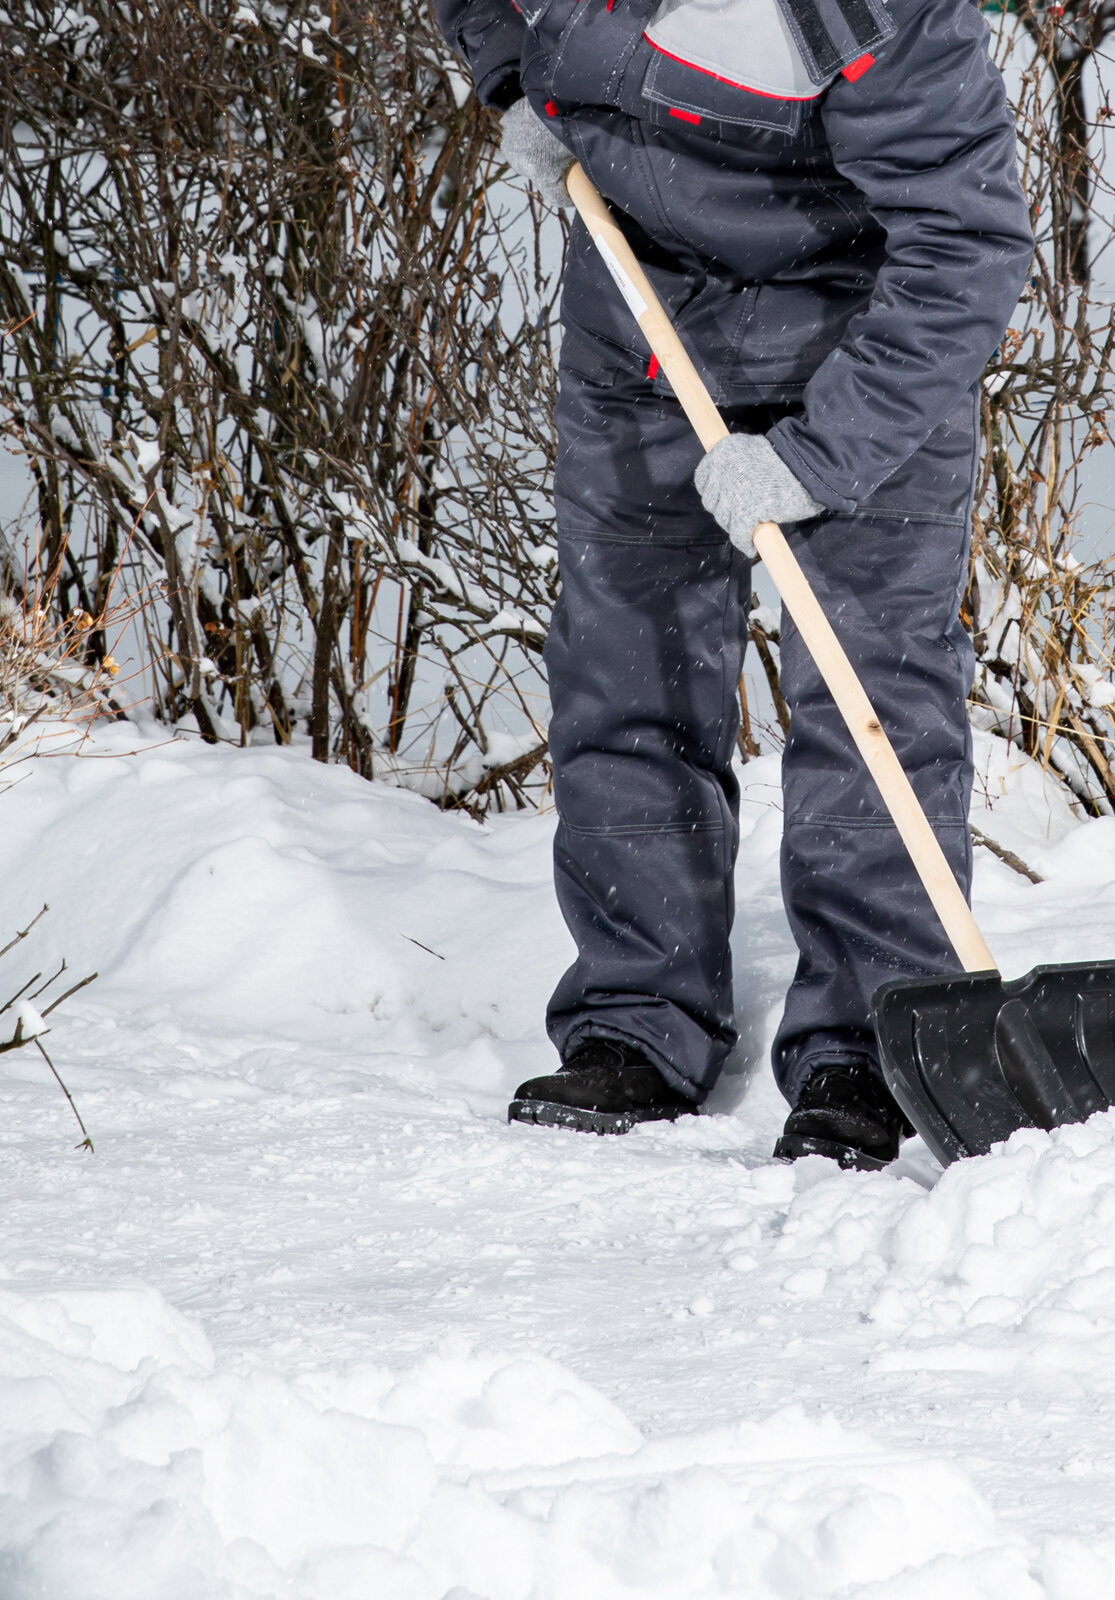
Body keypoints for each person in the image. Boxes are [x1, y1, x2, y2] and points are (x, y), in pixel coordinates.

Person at [437, 0, 1032, 1169]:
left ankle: (869, 1040)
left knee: (869, 691)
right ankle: (636, 1017)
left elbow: (966, 244)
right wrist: (517, 80)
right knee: (626, 659)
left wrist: (817, 458)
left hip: (865, 321)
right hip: (642, 305)